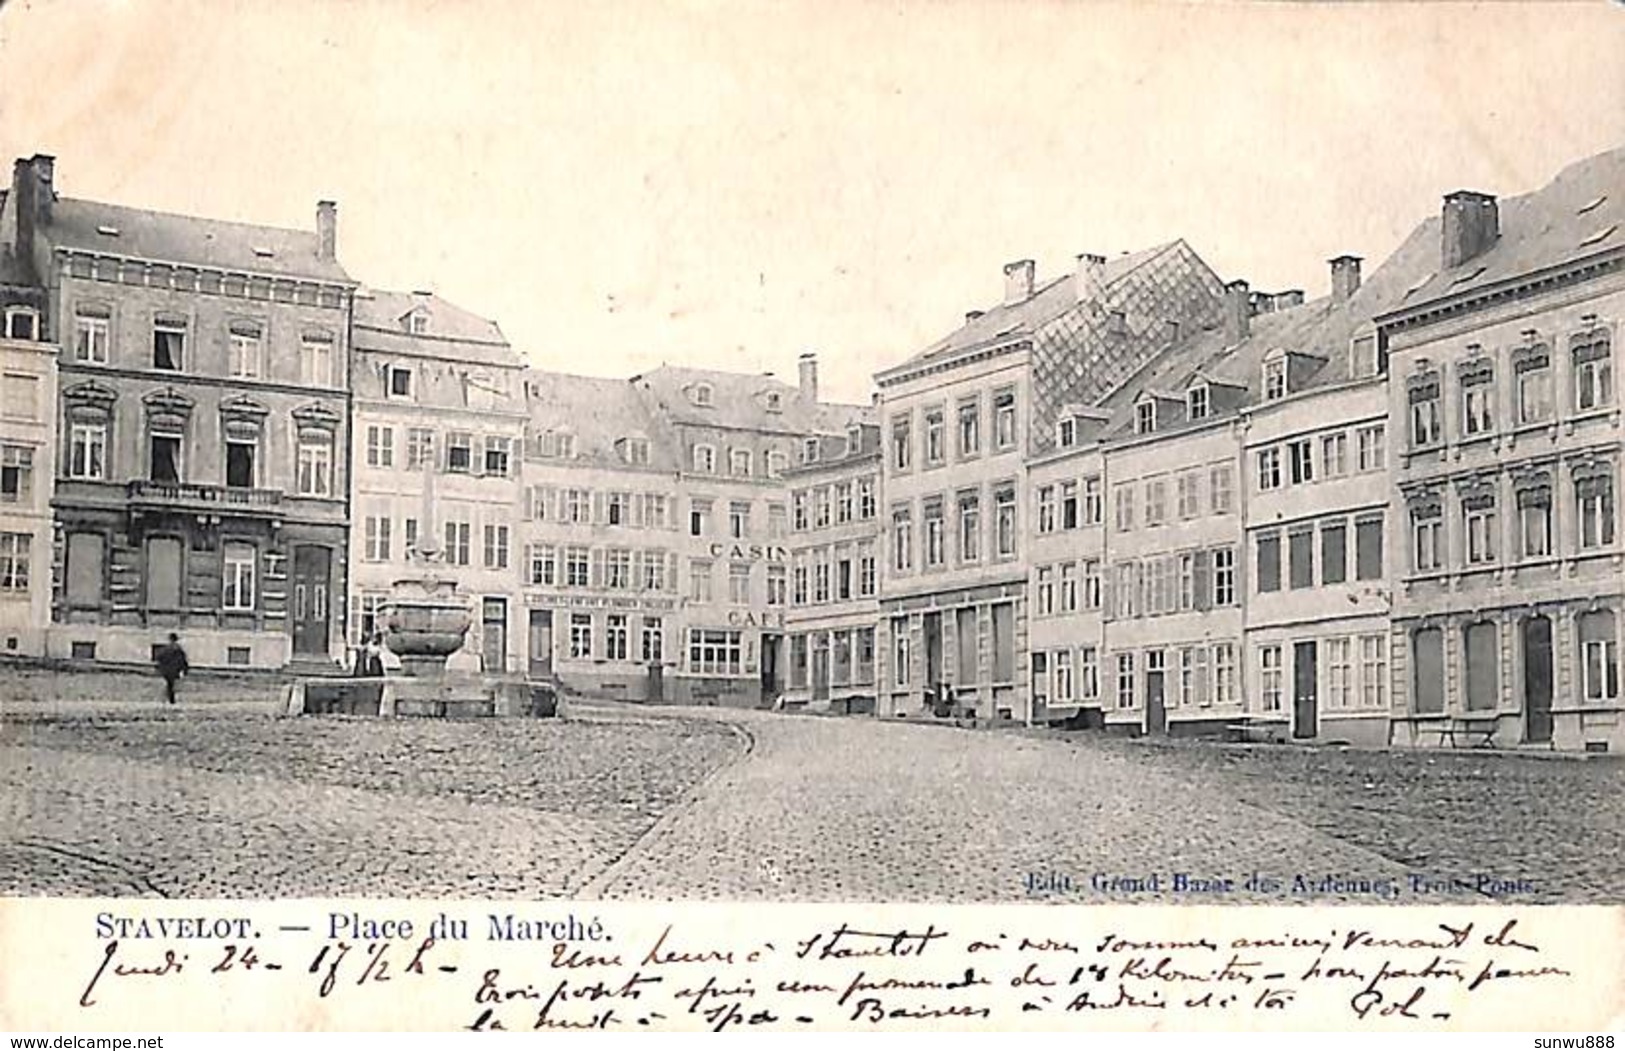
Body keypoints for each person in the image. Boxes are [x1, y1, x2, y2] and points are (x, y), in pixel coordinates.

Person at [153, 633, 190, 705]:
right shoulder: (178, 649)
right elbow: (182, 660)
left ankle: (169, 698)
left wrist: (160, 667)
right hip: (174, 669)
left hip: (167, 669)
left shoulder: (166, 648)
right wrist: (185, 669)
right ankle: (170, 699)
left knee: (170, 684)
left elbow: (159, 658)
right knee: (171, 684)